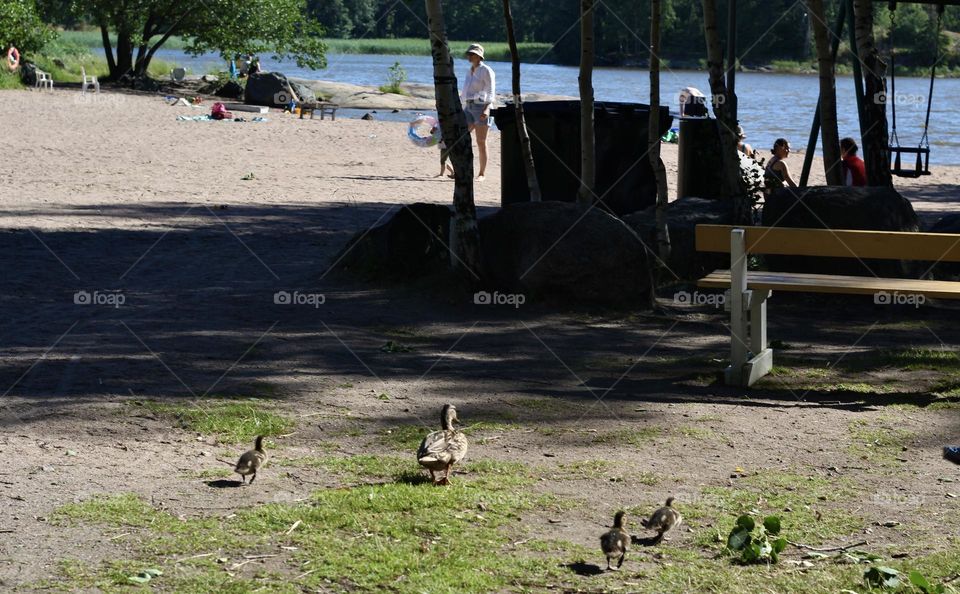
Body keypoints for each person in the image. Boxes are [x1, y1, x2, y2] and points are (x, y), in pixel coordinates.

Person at [461, 43, 495, 182]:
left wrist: (487, 108)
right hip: (468, 107)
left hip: (481, 107)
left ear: (479, 56)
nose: (469, 56)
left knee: (481, 141)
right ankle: (462, 169)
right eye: (469, 54)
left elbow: (491, 90)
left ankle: (482, 173)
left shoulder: (486, 70)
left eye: (472, 54)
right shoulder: (469, 70)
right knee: (461, 137)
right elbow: (466, 91)